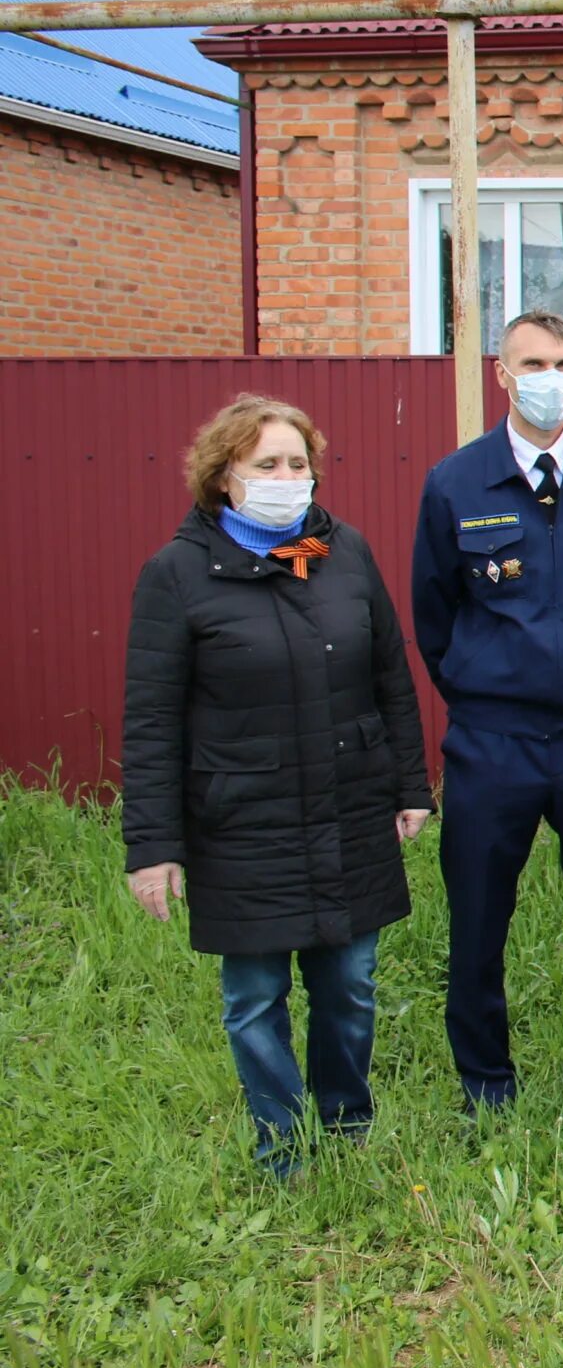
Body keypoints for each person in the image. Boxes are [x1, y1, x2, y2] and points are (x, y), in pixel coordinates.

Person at [122, 395, 433, 1172]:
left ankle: (345, 1123)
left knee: (351, 984)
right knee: (256, 996)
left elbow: (391, 675)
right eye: (267, 464)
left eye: (298, 463)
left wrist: (410, 783)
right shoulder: (177, 574)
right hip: (242, 820)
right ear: (226, 476)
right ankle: (281, 1143)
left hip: (349, 806)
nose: (287, 477)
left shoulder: (344, 551)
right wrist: (152, 846)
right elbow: (152, 720)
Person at [412, 309, 563, 1108]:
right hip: (493, 742)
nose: (554, 378)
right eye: (536, 363)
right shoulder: (456, 482)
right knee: (478, 920)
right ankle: (485, 1082)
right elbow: (435, 617)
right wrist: (489, 688)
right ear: (502, 375)